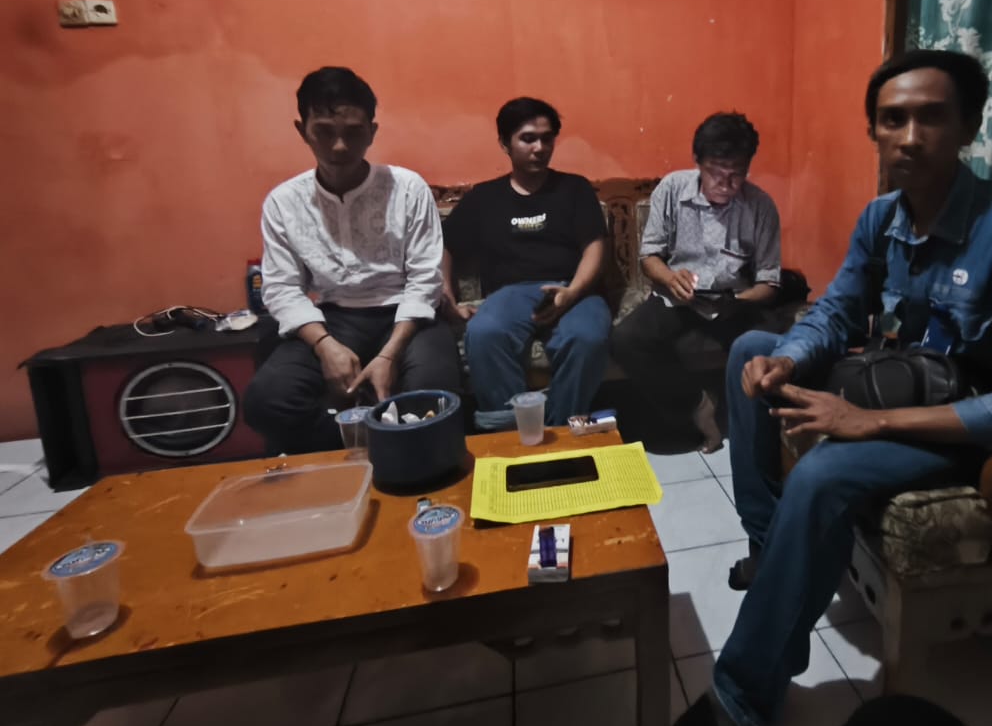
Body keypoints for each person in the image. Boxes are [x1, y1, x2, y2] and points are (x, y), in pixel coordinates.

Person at [672, 50, 992, 726]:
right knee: (749, 352)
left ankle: (742, 697)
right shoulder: (883, 219)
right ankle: (770, 547)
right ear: (874, 131)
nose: (909, 137)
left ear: (969, 126)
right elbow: (837, 312)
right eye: (892, 119)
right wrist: (787, 359)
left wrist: (872, 423)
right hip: (906, 382)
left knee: (823, 471)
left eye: (931, 117)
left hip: (980, 429)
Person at [243, 67, 461, 454]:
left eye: (354, 132)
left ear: (372, 132)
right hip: (334, 318)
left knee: (432, 394)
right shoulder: (284, 202)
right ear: (302, 130)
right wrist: (325, 345)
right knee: (266, 402)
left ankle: (404, 458)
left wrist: (389, 354)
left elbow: (425, 279)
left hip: (408, 318)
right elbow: (282, 288)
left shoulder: (407, 188)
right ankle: (360, 451)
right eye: (325, 131)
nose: (340, 146)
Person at [610, 112, 780, 453]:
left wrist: (741, 301)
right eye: (716, 173)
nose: (726, 184)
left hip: (734, 301)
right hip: (678, 297)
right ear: (698, 162)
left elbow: (769, 282)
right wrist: (671, 278)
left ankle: (764, 430)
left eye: (737, 174)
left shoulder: (760, 206)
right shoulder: (673, 189)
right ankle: (696, 404)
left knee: (771, 343)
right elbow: (649, 256)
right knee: (626, 339)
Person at [441, 97, 610, 429]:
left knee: (587, 337)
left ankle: (562, 429)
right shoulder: (484, 197)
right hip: (510, 294)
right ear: (505, 144)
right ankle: (512, 430)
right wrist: (448, 299)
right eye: (528, 139)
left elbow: (595, 246)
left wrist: (572, 293)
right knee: (484, 332)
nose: (539, 148)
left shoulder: (574, 189)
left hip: (573, 289)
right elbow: (445, 246)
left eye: (547, 139)